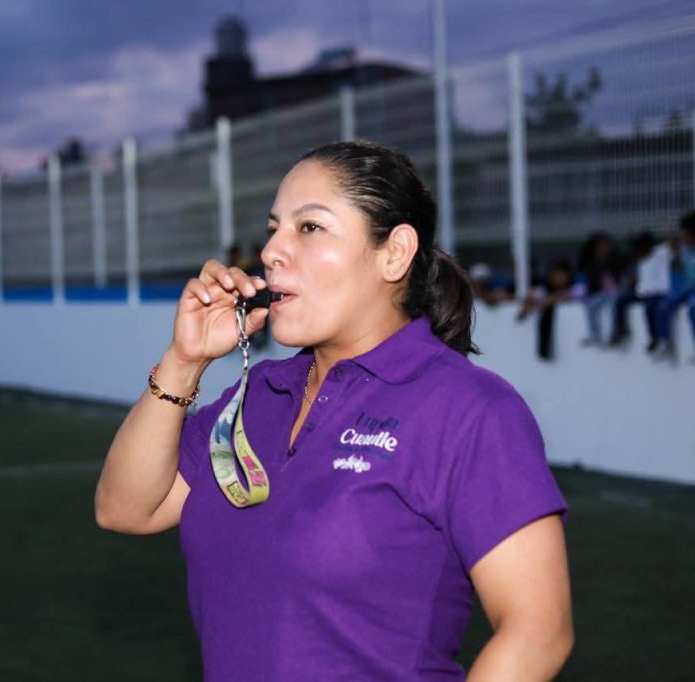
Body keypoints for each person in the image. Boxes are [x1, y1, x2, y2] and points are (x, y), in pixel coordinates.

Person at [95, 140, 573, 681]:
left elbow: (538, 631)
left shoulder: (470, 409)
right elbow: (125, 509)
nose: (272, 251)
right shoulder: (257, 394)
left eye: (310, 227)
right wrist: (184, 362)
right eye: (274, 228)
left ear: (394, 253)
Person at [654, 212, 695, 360]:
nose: (684, 237)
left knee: (693, 309)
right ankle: (666, 343)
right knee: (662, 306)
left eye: (686, 234)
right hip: (688, 288)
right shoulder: (684, 249)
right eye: (683, 234)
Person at [576, 231, 624, 346]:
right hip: (600, 294)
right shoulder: (589, 263)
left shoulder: (615, 260)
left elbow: (622, 277)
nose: (603, 248)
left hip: (615, 292)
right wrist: (581, 295)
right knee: (589, 304)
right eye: (600, 246)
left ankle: (615, 332)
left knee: (614, 303)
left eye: (606, 245)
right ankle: (595, 334)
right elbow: (585, 281)